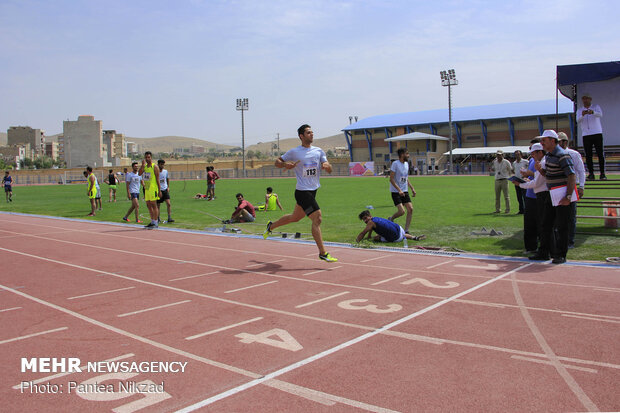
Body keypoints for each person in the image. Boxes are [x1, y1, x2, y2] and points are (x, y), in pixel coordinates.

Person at [263, 124, 338, 262]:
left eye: (312, 132)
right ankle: (323, 252)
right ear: (301, 136)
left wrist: (328, 167)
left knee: (294, 217)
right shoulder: (294, 152)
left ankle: (270, 226)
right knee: (317, 218)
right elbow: (277, 162)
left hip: (313, 190)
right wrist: (285, 164)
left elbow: (330, 168)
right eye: (308, 132)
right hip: (302, 192)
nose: (312, 134)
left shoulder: (319, 151)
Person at [531, 130, 576, 264]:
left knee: (562, 225)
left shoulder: (562, 155)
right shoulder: (550, 156)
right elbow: (549, 175)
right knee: (546, 223)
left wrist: (568, 196)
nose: (541, 143)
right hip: (552, 195)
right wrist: (540, 170)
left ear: (552, 140)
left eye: (544, 140)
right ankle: (544, 252)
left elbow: (571, 176)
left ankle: (561, 254)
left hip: (562, 194)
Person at [512, 143, 549, 256]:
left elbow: (538, 181)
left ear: (540, 152)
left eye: (533, 153)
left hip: (541, 195)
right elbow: (536, 179)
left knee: (542, 224)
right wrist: (527, 179)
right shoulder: (535, 161)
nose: (531, 155)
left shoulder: (543, 162)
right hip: (532, 194)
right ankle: (533, 248)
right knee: (530, 223)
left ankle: (544, 250)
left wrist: (521, 184)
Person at [558, 132, 586, 249]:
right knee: (558, 215)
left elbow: (581, 171)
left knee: (571, 215)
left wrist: (581, 187)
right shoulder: (554, 155)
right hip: (559, 187)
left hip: (572, 186)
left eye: (559, 141)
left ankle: (570, 241)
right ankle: (559, 239)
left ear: (565, 142)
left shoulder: (574, 154)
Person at [576, 93, 606, 180]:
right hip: (586, 134)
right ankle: (591, 173)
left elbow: (600, 115)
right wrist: (583, 115)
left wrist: (593, 112)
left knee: (600, 154)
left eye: (587, 98)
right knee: (588, 155)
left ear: (590, 99)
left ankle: (602, 173)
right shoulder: (580, 110)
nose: (585, 100)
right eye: (583, 99)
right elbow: (578, 120)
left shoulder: (596, 107)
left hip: (597, 133)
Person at [388, 148, 416, 233]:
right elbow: (391, 179)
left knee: (410, 209)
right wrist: (399, 190)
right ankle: (391, 218)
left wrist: (412, 188)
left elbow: (406, 178)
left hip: (405, 190)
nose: (408, 155)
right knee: (402, 211)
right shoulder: (395, 164)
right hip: (396, 192)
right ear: (402, 154)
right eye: (407, 154)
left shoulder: (407, 164)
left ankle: (406, 230)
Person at [356, 210, 425, 243]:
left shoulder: (370, 223)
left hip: (396, 238)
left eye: (365, 218)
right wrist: (369, 236)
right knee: (399, 234)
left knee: (376, 237)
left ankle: (403, 237)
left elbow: (363, 233)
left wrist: (357, 241)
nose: (365, 221)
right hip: (400, 229)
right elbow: (370, 228)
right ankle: (414, 237)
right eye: (363, 219)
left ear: (370, 216)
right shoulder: (375, 218)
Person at [139, 151, 161, 229]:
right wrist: (142, 165)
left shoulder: (154, 166)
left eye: (149, 157)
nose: (147, 159)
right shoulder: (144, 167)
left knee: (154, 205)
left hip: (153, 189)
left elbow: (158, 179)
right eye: (146, 157)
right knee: (148, 205)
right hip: (146, 189)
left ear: (151, 158)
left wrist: (159, 190)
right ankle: (152, 221)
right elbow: (139, 173)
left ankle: (155, 222)